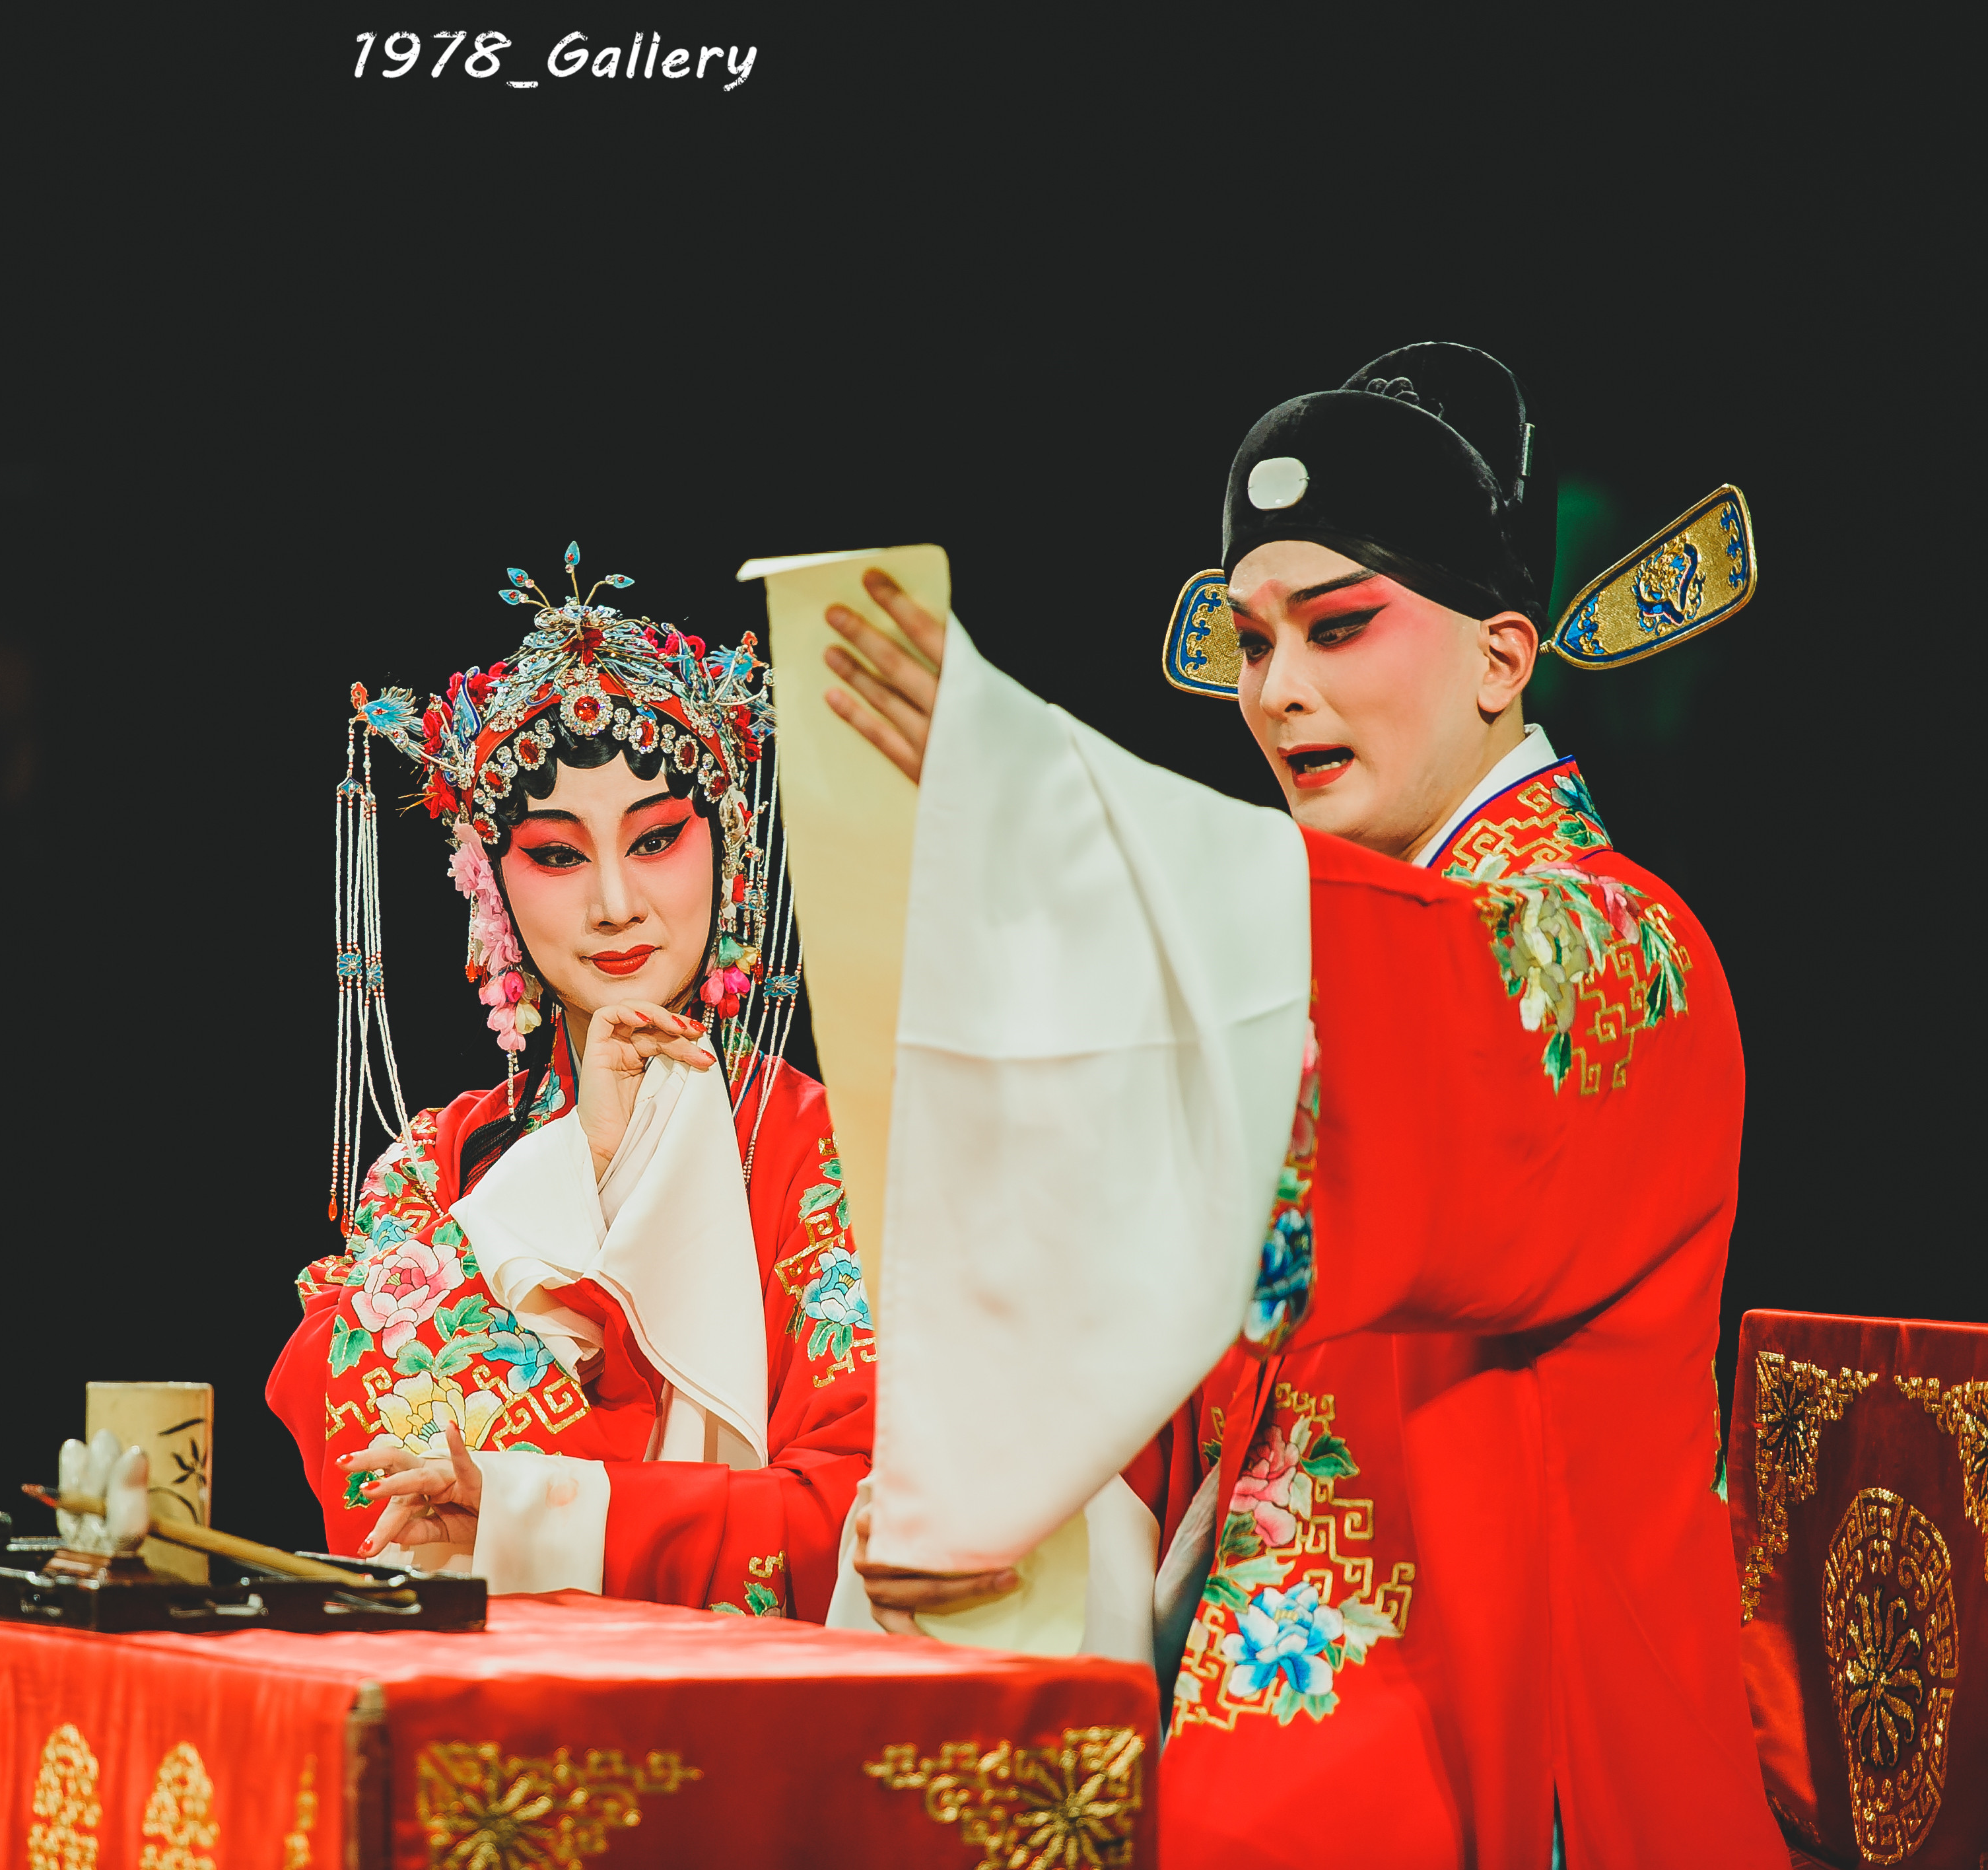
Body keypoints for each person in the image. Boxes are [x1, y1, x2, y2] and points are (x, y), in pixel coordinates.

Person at [821, 345, 1777, 1866]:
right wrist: (992, 1506)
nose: (1278, 692)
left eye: (1339, 628)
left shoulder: (1616, 948)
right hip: (1275, 1759)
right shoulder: (1334, 955)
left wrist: (1055, 800)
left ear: (1501, 658)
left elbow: (1434, 1034)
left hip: (1512, 1767)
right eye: (1252, 642)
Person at [266, 545, 875, 1620]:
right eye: (557, 855)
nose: (615, 904)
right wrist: (580, 1163)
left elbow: (864, 1514)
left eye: (656, 841)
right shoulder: (435, 1164)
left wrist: (540, 1510)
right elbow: (382, 1485)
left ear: (728, 848)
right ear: (488, 886)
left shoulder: (827, 1151)